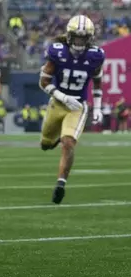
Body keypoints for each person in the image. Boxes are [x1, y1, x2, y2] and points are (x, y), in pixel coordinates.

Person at [39, 15, 105, 204]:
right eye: (76, 37)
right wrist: (62, 96)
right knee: (45, 144)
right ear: (69, 36)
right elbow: (43, 82)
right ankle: (56, 137)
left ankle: (60, 183)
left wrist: (98, 107)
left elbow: (98, 82)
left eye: (83, 38)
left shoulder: (95, 56)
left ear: (89, 38)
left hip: (78, 106)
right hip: (58, 102)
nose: (79, 41)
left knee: (68, 143)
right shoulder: (57, 52)